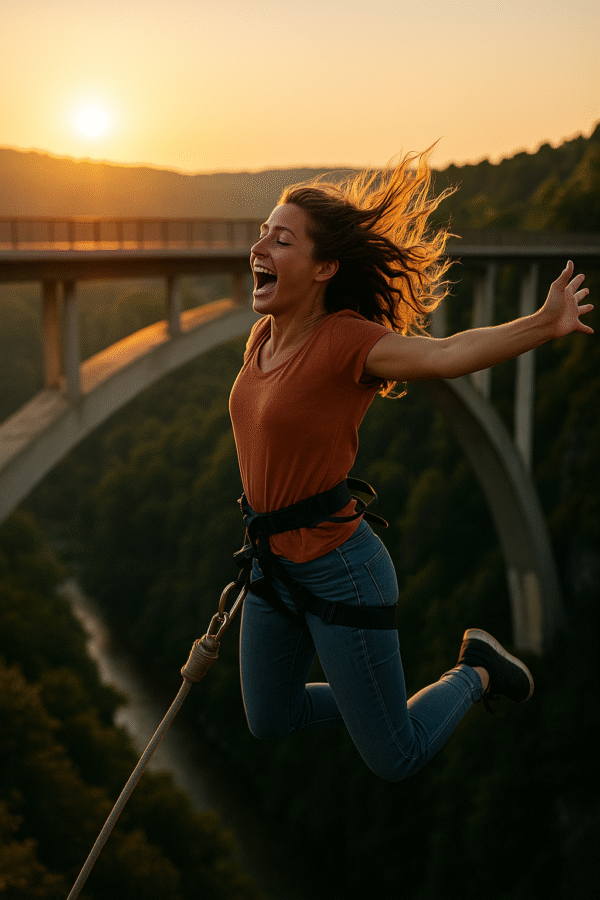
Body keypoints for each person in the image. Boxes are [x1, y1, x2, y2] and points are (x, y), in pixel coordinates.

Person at [228, 150, 593, 782]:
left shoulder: (349, 341)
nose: (261, 244)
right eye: (263, 231)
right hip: (273, 563)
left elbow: (448, 352)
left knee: (396, 756)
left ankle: (476, 670)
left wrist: (543, 323)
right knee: (269, 716)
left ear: (324, 268)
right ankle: (379, 708)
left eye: (281, 239)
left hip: (341, 569)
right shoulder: (263, 334)